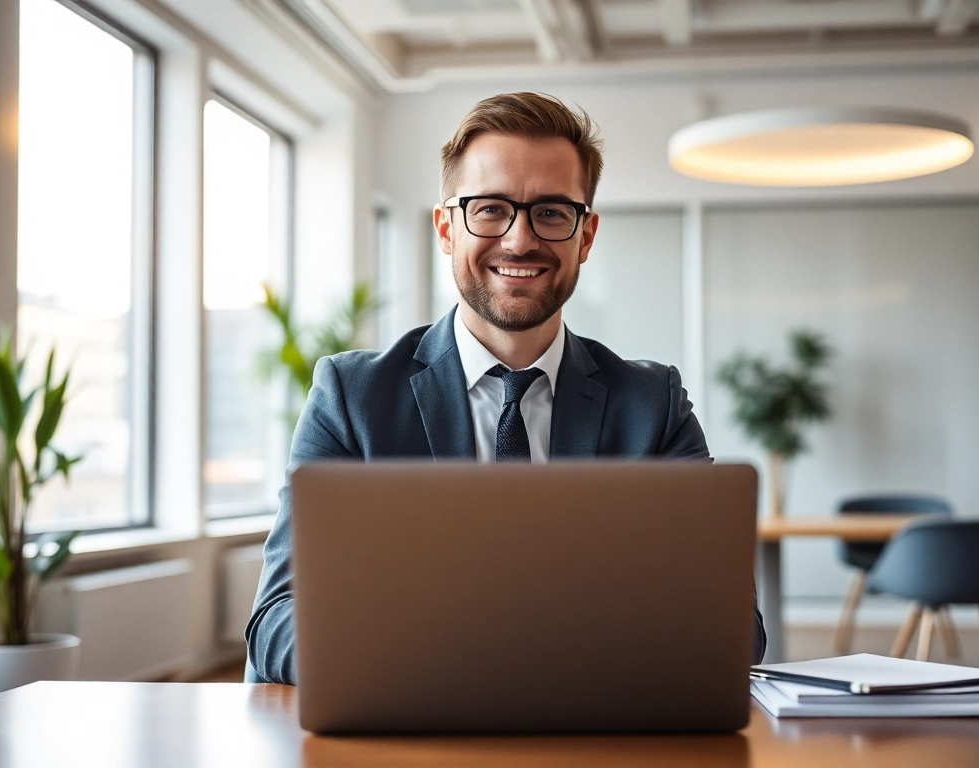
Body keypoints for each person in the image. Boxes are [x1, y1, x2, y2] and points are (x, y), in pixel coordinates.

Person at [245, 92, 766, 683]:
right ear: (446, 228)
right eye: (491, 209)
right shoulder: (351, 396)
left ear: (585, 236)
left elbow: (732, 629)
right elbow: (277, 621)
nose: (519, 241)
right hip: (412, 720)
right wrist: (464, 659)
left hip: (593, 728)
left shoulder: (654, 406)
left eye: (552, 212)